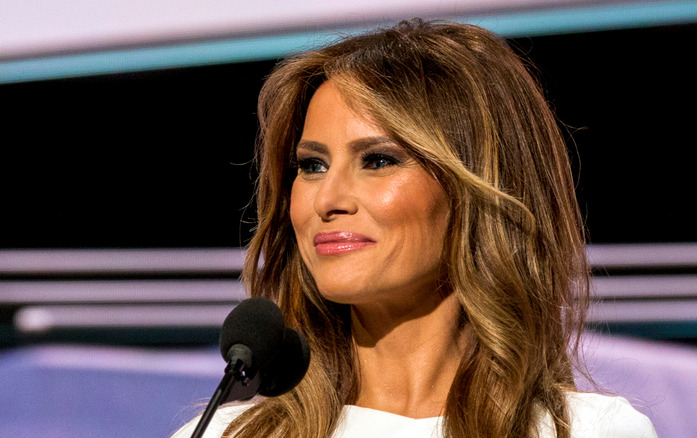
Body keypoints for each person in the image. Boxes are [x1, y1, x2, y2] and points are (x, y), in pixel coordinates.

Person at [173, 19, 656, 438]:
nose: (328, 200)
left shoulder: (585, 431)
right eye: (312, 165)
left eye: (378, 160)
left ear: (477, 185)